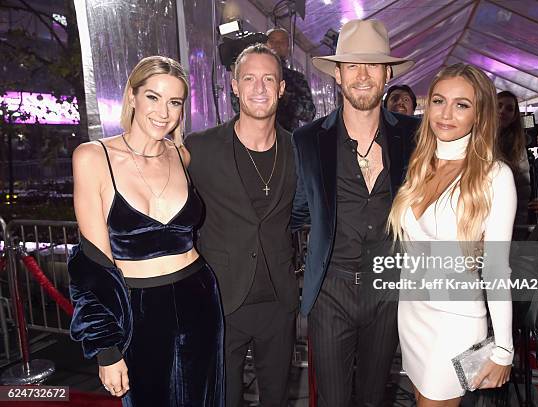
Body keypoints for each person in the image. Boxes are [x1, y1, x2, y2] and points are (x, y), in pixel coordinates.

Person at [69, 56, 224, 406]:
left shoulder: (180, 156)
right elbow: (91, 267)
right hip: (138, 311)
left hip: (200, 297)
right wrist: (106, 348)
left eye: (174, 102)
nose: (163, 112)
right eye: (153, 97)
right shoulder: (93, 157)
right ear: (132, 97)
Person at [291, 19, 418, 407]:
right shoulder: (308, 140)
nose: (363, 75)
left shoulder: (414, 136)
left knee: (374, 396)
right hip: (331, 288)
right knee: (332, 400)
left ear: (387, 73)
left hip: (390, 288)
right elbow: (295, 209)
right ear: (339, 75)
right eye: (353, 66)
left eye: (373, 65)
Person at [388, 63, 515, 405]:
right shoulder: (421, 163)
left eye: (462, 105)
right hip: (411, 313)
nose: (446, 114)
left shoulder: (494, 176)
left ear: (480, 115)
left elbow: (497, 268)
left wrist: (503, 348)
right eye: (439, 101)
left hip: (454, 322)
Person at [185, 44, 298, 407]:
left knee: (276, 399)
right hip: (221, 299)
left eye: (269, 79)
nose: (259, 88)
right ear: (234, 85)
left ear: (282, 88)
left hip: (279, 302)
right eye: (249, 78)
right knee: (223, 399)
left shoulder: (299, 150)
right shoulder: (199, 148)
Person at [497, 90, 531, 225]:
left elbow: (522, 190)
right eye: (498, 105)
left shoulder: (517, 146)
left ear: (514, 116)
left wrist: (519, 226)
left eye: (509, 109)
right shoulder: (473, 139)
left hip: (506, 218)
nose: (502, 111)